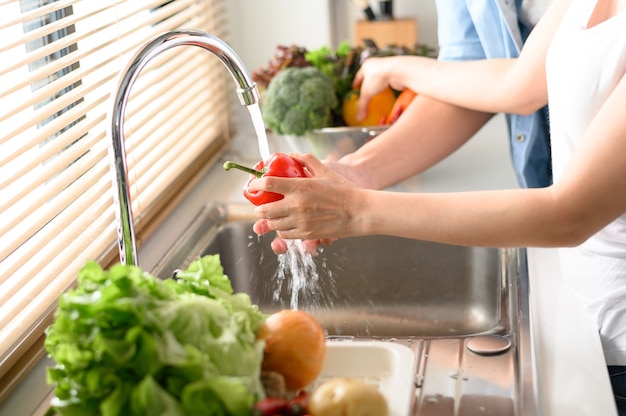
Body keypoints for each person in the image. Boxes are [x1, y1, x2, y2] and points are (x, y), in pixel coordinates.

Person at [250, 0, 626, 412]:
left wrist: (356, 209)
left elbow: (568, 214)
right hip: (583, 320)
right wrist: (356, 173)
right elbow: (516, 85)